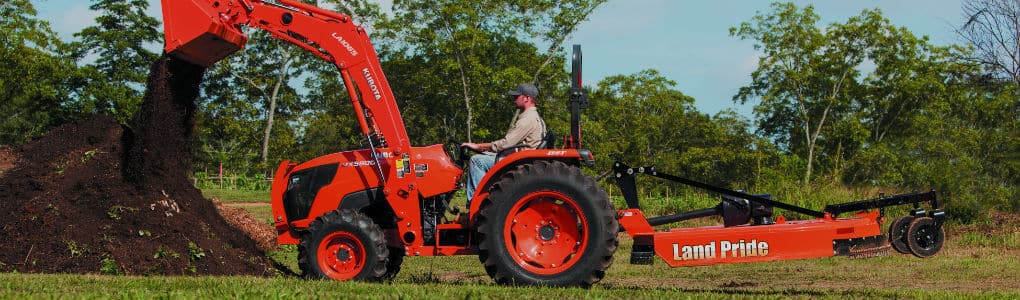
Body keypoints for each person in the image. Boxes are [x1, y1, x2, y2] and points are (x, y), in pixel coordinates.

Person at [461, 83, 546, 207]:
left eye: (517, 96)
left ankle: (476, 205)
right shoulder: (535, 117)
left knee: (476, 161)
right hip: (523, 158)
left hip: (520, 163)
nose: (514, 99)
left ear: (526, 98)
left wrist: (478, 146)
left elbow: (506, 144)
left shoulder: (528, 119)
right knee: (485, 156)